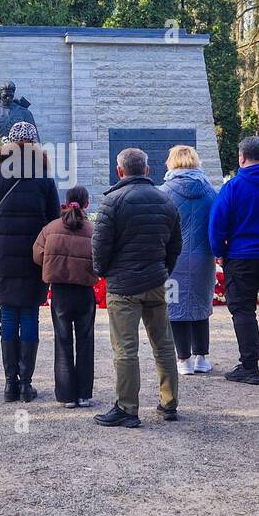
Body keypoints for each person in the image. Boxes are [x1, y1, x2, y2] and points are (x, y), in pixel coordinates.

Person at [92, 148, 183, 428]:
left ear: (120, 171)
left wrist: (104, 271)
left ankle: (128, 408)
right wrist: (163, 269)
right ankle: (169, 403)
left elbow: (100, 246)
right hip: (156, 281)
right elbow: (175, 244)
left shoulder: (112, 201)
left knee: (125, 348)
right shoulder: (165, 199)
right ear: (146, 170)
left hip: (123, 285)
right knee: (164, 344)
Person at [0, 122, 60, 402]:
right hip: (34, 256)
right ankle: (26, 384)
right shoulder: (45, 178)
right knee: (30, 315)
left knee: (9, 314)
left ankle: (10, 384)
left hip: (2, 256)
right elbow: (53, 220)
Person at [207, 136, 259, 385]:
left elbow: (217, 224)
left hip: (241, 256)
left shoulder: (234, 186)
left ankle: (250, 366)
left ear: (242, 157)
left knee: (243, 311)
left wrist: (218, 250)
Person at [33, 186, 98, 408]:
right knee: (85, 341)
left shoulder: (50, 228)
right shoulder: (92, 230)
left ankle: (66, 395)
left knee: (63, 341)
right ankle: (84, 394)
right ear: (87, 203)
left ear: (66, 201)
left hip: (60, 290)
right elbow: (101, 259)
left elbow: (37, 255)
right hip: (84, 291)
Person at [159, 145, 218, 376]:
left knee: (175, 308)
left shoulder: (163, 191)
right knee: (201, 305)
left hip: (174, 260)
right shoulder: (211, 191)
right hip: (204, 258)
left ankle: (183, 360)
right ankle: (201, 357)